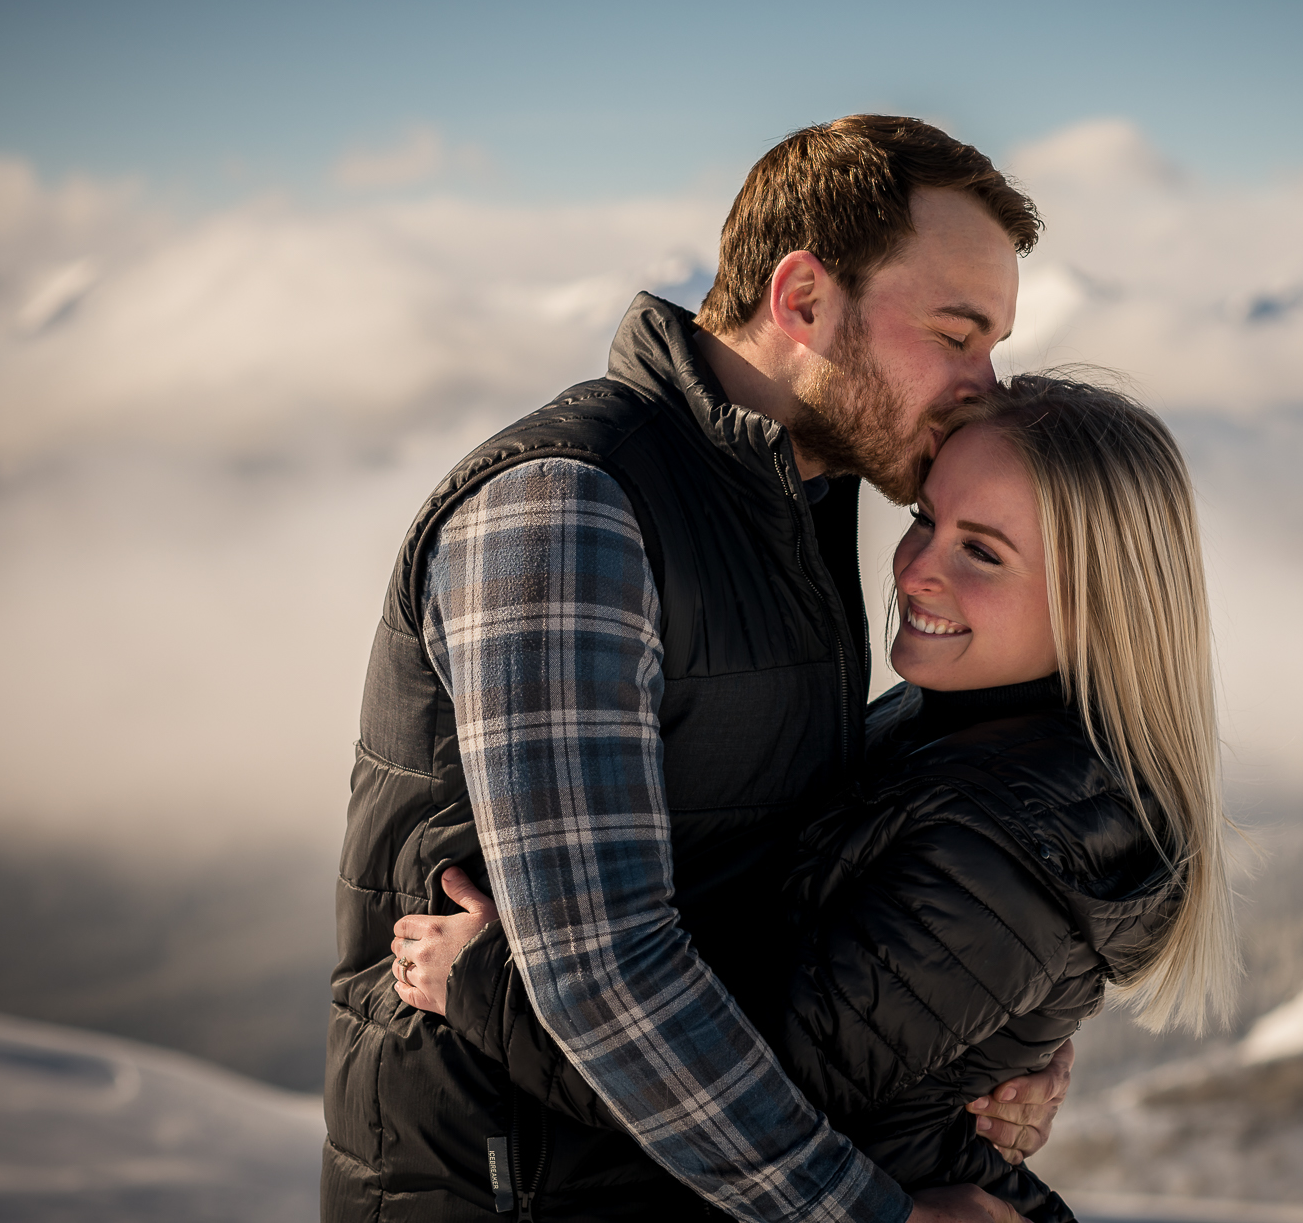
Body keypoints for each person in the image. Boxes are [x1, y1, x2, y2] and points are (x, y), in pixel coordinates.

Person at [326, 116, 1069, 1223]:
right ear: (803, 300)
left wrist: (1000, 1035)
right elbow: (598, 973)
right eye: (957, 335)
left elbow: (816, 862)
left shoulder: (796, 499)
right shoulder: (569, 510)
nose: (985, 383)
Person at [767, 373, 1240, 1221]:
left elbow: (740, 1087)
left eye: (980, 551)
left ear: (1098, 607)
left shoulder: (1007, 846)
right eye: (924, 519)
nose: (914, 570)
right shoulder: (955, 722)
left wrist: (490, 986)